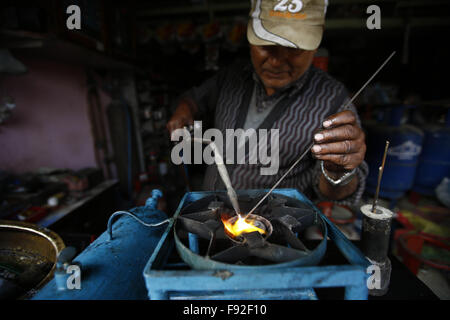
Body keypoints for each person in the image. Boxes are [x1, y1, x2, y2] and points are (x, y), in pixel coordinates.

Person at [167, 0, 368, 206]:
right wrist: (185, 109)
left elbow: (337, 193)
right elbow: (195, 98)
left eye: (294, 49)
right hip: (211, 217)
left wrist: (338, 172)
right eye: (266, 45)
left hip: (274, 232)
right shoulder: (231, 77)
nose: (276, 61)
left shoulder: (333, 100)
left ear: (316, 42)